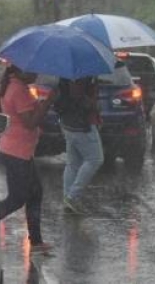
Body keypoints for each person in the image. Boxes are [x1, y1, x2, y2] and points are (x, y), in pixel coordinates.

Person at [0, 64, 56, 253]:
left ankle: (36, 241)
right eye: (32, 71)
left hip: (20, 151)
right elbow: (30, 123)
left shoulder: (16, 87)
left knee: (34, 194)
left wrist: (40, 103)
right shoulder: (18, 90)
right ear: (20, 71)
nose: (36, 74)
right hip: (17, 152)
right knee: (17, 198)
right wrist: (47, 102)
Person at [54, 76, 103, 215]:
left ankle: (68, 198)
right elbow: (79, 97)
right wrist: (94, 104)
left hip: (68, 123)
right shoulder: (80, 76)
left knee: (73, 163)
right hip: (81, 125)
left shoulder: (65, 75)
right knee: (95, 159)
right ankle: (72, 196)